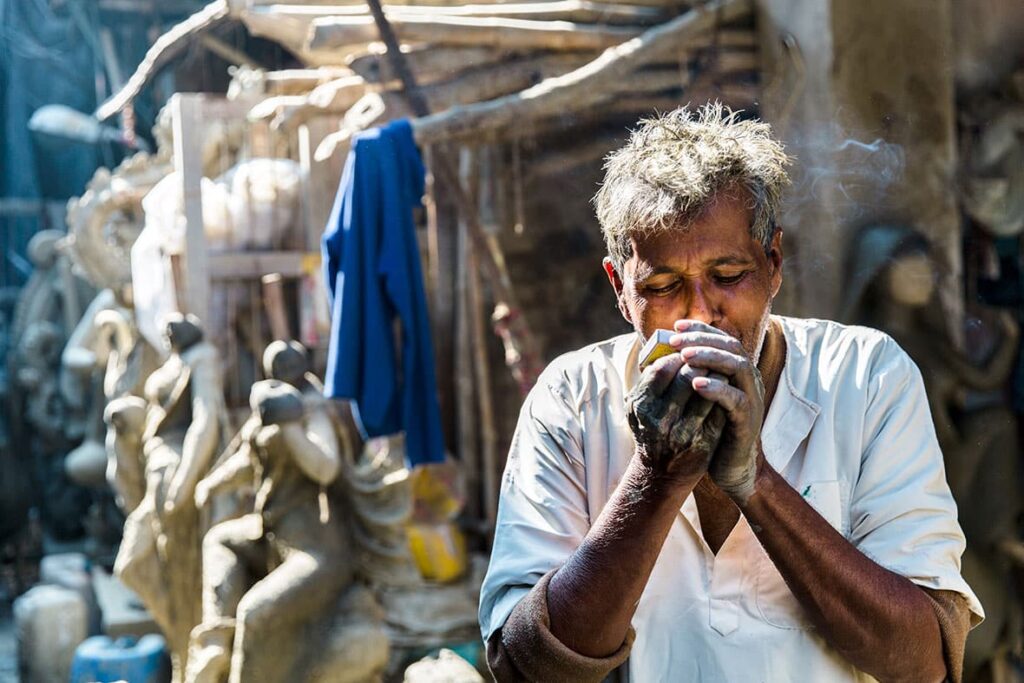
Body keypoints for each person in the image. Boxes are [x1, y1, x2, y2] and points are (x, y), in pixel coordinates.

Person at [478, 104, 983, 683]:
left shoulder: (867, 378)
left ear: (773, 264)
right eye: (663, 286)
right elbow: (521, 666)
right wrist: (657, 474)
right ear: (620, 289)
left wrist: (756, 484)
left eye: (728, 276)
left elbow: (925, 662)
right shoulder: (571, 398)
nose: (700, 313)